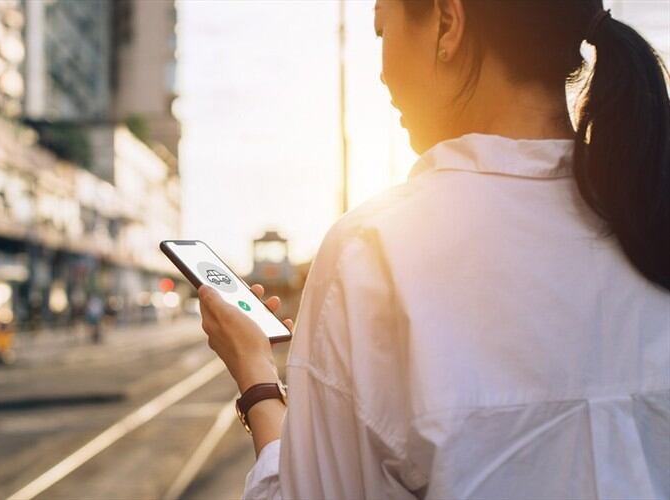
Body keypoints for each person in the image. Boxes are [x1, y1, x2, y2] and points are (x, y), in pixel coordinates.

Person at [198, 1, 670, 498]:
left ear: (448, 23)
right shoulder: (649, 217)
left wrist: (257, 380)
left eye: (382, 32)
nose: (381, 74)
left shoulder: (373, 254)